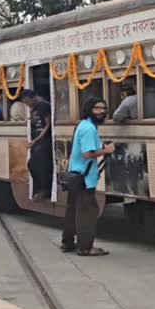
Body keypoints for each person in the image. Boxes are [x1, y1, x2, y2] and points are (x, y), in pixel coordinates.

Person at [61, 97, 115, 256]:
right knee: (88, 213)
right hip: (84, 178)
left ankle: (68, 243)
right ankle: (85, 247)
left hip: (75, 176)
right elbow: (87, 154)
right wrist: (107, 150)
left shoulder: (82, 125)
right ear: (89, 109)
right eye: (97, 108)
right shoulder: (89, 129)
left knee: (72, 211)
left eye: (103, 108)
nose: (101, 111)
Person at [20, 89, 53, 200]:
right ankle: (41, 188)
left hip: (46, 140)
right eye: (25, 103)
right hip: (38, 140)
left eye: (28, 101)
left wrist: (36, 140)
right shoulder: (33, 108)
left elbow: (48, 125)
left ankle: (45, 189)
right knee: (31, 164)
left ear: (34, 97)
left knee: (35, 163)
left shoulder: (44, 106)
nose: (27, 104)